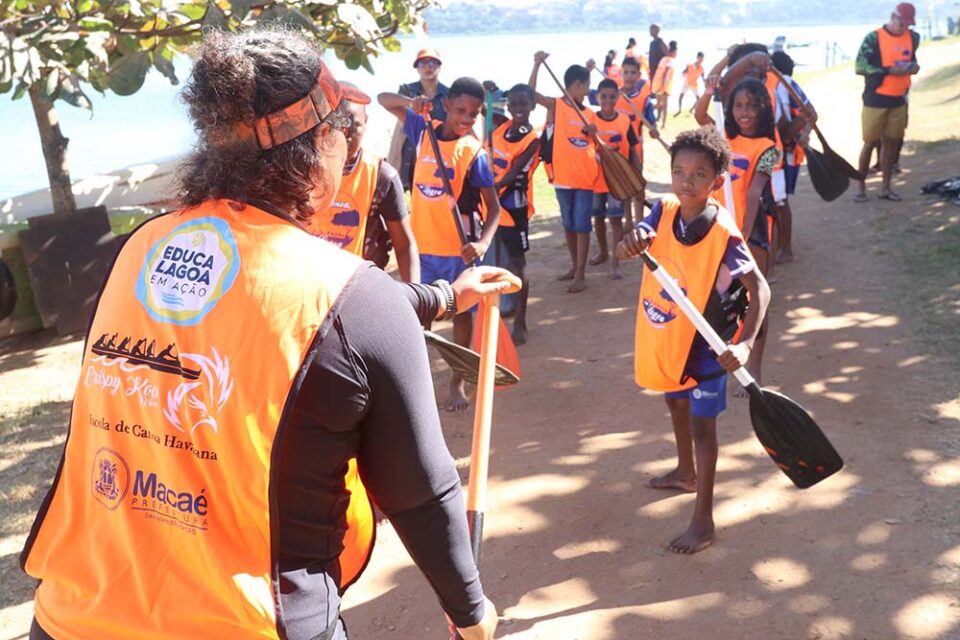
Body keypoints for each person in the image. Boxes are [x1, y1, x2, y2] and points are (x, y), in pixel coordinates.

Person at [19, 29, 502, 640]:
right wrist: (471, 613)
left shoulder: (136, 250)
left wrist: (447, 295)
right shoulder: (352, 296)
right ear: (323, 143)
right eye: (342, 136)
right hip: (252, 623)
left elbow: (279, 325)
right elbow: (421, 494)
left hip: (72, 617)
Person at [616, 126, 770, 554]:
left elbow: (761, 289)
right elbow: (638, 239)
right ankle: (685, 473)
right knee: (673, 402)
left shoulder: (724, 233)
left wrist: (744, 345)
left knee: (704, 427)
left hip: (708, 346)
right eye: (679, 171)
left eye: (700, 174)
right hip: (672, 338)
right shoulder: (663, 211)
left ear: (717, 183)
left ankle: (703, 521)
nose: (687, 180)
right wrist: (632, 242)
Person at [378, 77, 502, 412]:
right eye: (460, 109)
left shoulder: (473, 152)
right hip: (420, 250)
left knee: (462, 317)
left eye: (474, 114)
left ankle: (457, 382)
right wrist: (411, 103)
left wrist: (482, 243)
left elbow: (494, 208)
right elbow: (382, 98)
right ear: (445, 105)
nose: (466, 118)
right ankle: (418, 386)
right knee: (421, 319)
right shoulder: (422, 129)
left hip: (456, 253)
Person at [694, 76, 781, 393]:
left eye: (752, 106)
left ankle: (754, 365)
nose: (745, 112)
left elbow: (756, 191)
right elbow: (699, 115)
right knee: (715, 295)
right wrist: (709, 90)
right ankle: (715, 360)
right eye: (739, 106)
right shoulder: (723, 136)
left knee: (756, 298)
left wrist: (742, 232)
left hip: (751, 231)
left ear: (762, 110)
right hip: (717, 227)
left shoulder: (769, 148)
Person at [311, 87, 420, 281]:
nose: (345, 134)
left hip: (356, 288)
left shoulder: (382, 176)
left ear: (366, 122)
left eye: (353, 126)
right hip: (309, 283)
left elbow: (404, 246)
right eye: (337, 125)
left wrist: (415, 300)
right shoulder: (304, 168)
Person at [529, 51, 599, 294]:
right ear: (577, 84)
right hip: (561, 179)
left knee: (582, 226)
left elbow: (596, 146)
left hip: (585, 179)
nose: (589, 91)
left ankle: (580, 274)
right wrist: (537, 64)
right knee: (569, 225)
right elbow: (530, 95)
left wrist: (593, 132)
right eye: (586, 86)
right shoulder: (556, 106)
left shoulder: (589, 114)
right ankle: (573, 266)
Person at [489, 84, 540, 345]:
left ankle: (521, 321)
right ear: (509, 106)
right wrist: (492, 92)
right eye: (514, 104)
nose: (519, 109)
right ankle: (502, 307)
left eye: (524, 104)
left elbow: (512, 173)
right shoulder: (501, 127)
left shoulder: (532, 140)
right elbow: (487, 109)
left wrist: (487, 187)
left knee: (517, 264)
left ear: (533, 106)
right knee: (497, 259)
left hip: (514, 206)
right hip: (491, 204)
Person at [854, 2, 920, 202]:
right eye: (902, 23)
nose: (904, 28)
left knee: (892, 144)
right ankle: (861, 186)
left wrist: (913, 67)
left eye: (908, 25)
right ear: (893, 17)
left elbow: (912, 58)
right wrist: (888, 70)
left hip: (899, 98)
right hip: (875, 99)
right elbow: (860, 66)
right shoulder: (874, 38)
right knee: (870, 142)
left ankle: (885, 187)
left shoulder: (913, 37)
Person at [590, 78, 642, 280]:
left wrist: (636, 177)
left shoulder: (624, 121)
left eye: (612, 96)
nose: (608, 100)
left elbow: (633, 152)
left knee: (616, 220)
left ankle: (615, 262)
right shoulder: (591, 121)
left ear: (618, 97)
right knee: (599, 219)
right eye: (604, 96)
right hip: (595, 180)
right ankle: (603, 252)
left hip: (617, 180)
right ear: (597, 97)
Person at [770, 50, 816, 264]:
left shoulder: (784, 83)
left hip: (785, 151)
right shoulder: (778, 83)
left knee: (780, 199)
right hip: (780, 149)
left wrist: (801, 134)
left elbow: (810, 112)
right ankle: (778, 244)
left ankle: (785, 247)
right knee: (776, 199)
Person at [396, 48, 450, 191]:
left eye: (432, 62)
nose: (428, 67)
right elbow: (388, 101)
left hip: (439, 151)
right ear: (417, 68)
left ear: (439, 66)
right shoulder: (407, 90)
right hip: (412, 149)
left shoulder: (449, 94)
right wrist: (412, 102)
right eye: (423, 63)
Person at [615, 56, 658, 229]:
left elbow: (651, 124)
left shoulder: (643, 99)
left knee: (637, 186)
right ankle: (628, 222)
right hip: (616, 150)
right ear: (621, 73)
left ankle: (640, 223)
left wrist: (654, 130)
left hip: (636, 150)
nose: (629, 76)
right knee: (623, 187)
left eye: (633, 73)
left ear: (638, 75)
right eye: (626, 72)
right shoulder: (613, 96)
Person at [651, 40, 678, 129]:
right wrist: (663, 85)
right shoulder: (670, 60)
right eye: (676, 52)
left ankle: (647, 115)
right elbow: (666, 74)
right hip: (664, 85)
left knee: (659, 103)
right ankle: (663, 124)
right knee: (665, 105)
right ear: (673, 52)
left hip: (657, 83)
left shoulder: (663, 59)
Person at [648, 24, 669, 88]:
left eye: (652, 29)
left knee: (658, 89)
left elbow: (667, 54)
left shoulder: (660, 41)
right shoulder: (652, 43)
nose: (650, 31)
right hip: (652, 69)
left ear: (657, 30)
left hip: (659, 70)